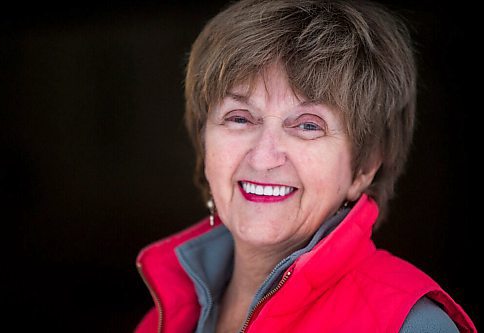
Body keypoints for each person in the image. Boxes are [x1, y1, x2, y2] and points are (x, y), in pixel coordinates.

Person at [135, 0, 477, 332]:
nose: (263, 157)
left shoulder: (410, 326)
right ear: (204, 141)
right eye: (239, 118)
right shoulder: (162, 319)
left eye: (308, 125)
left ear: (364, 167)